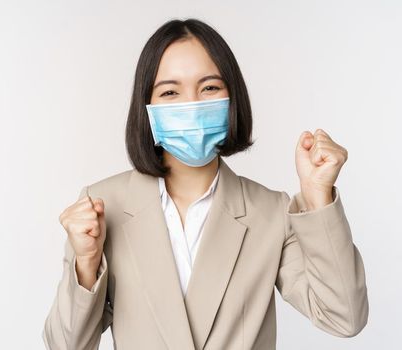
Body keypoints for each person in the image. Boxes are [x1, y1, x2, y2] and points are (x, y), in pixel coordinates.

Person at [43, 18, 368, 350]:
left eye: (209, 87)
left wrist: (318, 197)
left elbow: (343, 317)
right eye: (170, 91)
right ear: (148, 108)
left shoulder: (270, 212)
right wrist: (85, 265)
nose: (192, 105)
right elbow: (65, 346)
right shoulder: (103, 205)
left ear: (232, 98)